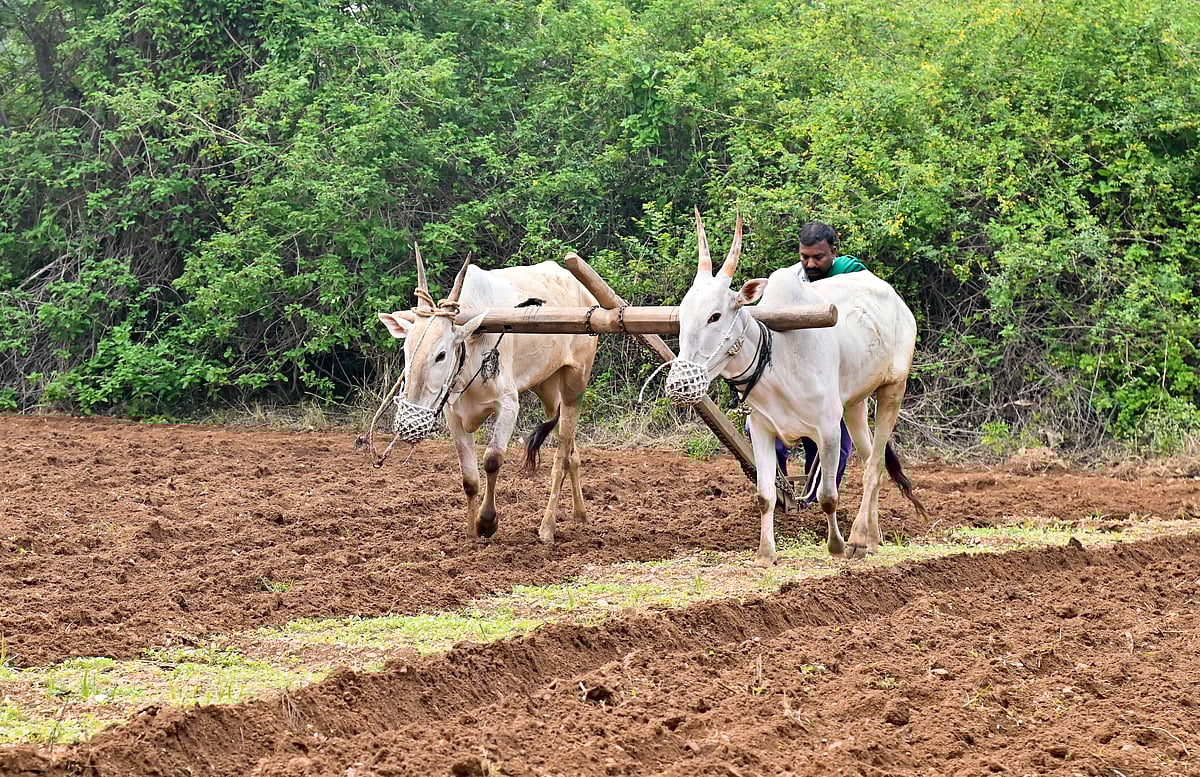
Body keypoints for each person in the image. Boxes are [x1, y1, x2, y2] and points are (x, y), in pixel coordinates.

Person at [762, 221, 866, 504]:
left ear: (833, 252)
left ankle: (812, 503)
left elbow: (864, 312)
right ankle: (780, 493)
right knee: (762, 431)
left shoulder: (852, 274)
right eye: (804, 256)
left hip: (835, 375)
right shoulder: (791, 281)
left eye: (818, 257)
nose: (809, 264)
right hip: (792, 377)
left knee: (835, 443)